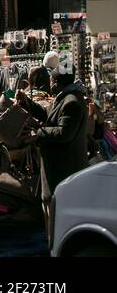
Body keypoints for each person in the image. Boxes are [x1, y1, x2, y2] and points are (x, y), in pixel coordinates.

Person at [16, 69, 90, 222]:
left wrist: (38, 133)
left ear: (56, 81)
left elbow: (64, 133)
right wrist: (25, 102)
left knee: (59, 218)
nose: (49, 82)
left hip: (63, 172)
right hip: (58, 173)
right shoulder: (64, 98)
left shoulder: (71, 102)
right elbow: (46, 114)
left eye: (51, 79)